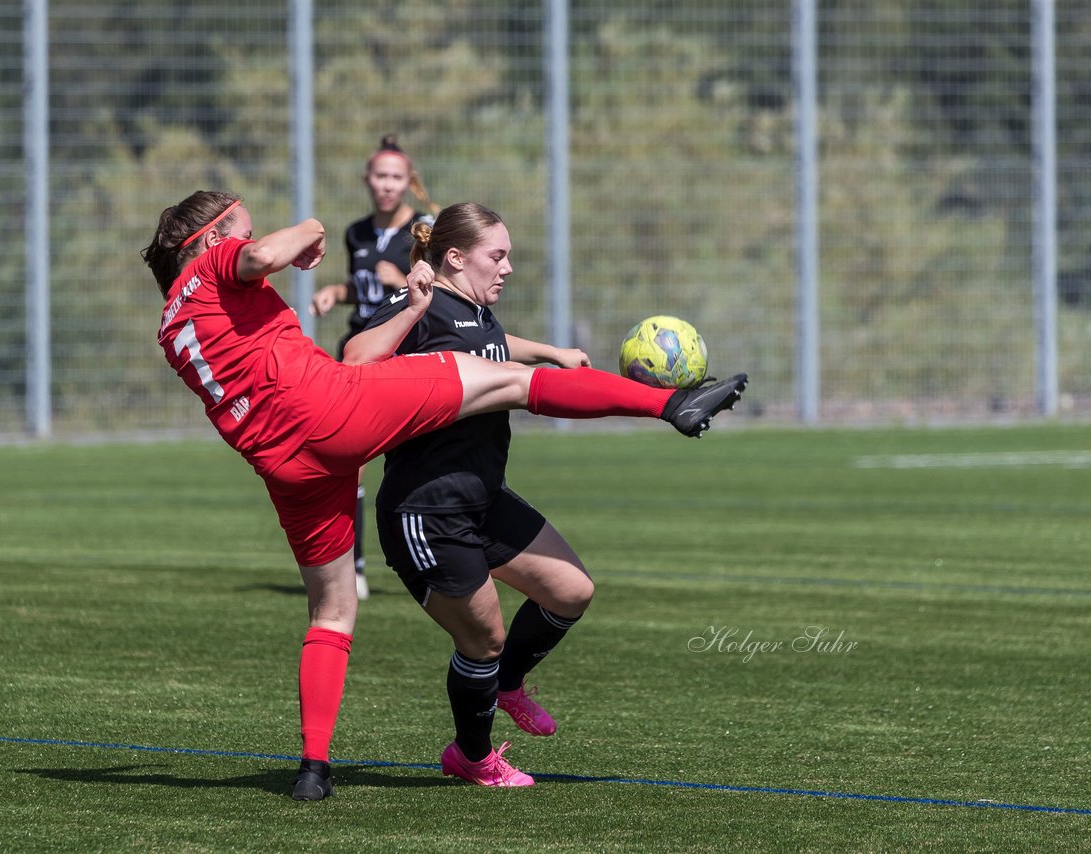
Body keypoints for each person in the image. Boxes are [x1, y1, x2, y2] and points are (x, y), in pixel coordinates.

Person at [142, 189, 747, 801]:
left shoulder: (171, 322)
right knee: (515, 385)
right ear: (215, 238)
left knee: (331, 611)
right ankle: (670, 403)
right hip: (330, 411)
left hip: (285, 463)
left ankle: (313, 771)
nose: (251, 236)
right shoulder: (214, 265)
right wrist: (313, 229)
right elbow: (266, 255)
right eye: (242, 226)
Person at [342, 202, 599, 787]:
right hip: (425, 510)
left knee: (571, 591)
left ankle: (507, 684)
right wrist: (411, 307)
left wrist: (551, 353)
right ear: (455, 258)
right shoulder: (422, 309)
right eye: (497, 256)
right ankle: (474, 757)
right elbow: (354, 360)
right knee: (484, 639)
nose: (508, 267)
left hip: (483, 498)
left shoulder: (475, 311)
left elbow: (491, 343)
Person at [310, 135, 438, 601]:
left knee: (420, 459)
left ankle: (437, 560)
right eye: (380, 176)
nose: (386, 185)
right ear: (368, 180)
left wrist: (405, 279)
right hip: (360, 350)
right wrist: (334, 293)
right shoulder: (357, 232)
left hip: (406, 348)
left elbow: (441, 286)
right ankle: (355, 568)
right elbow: (361, 286)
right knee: (352, 461)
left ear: (409, 182)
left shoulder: (424, 229)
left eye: (395, 177)